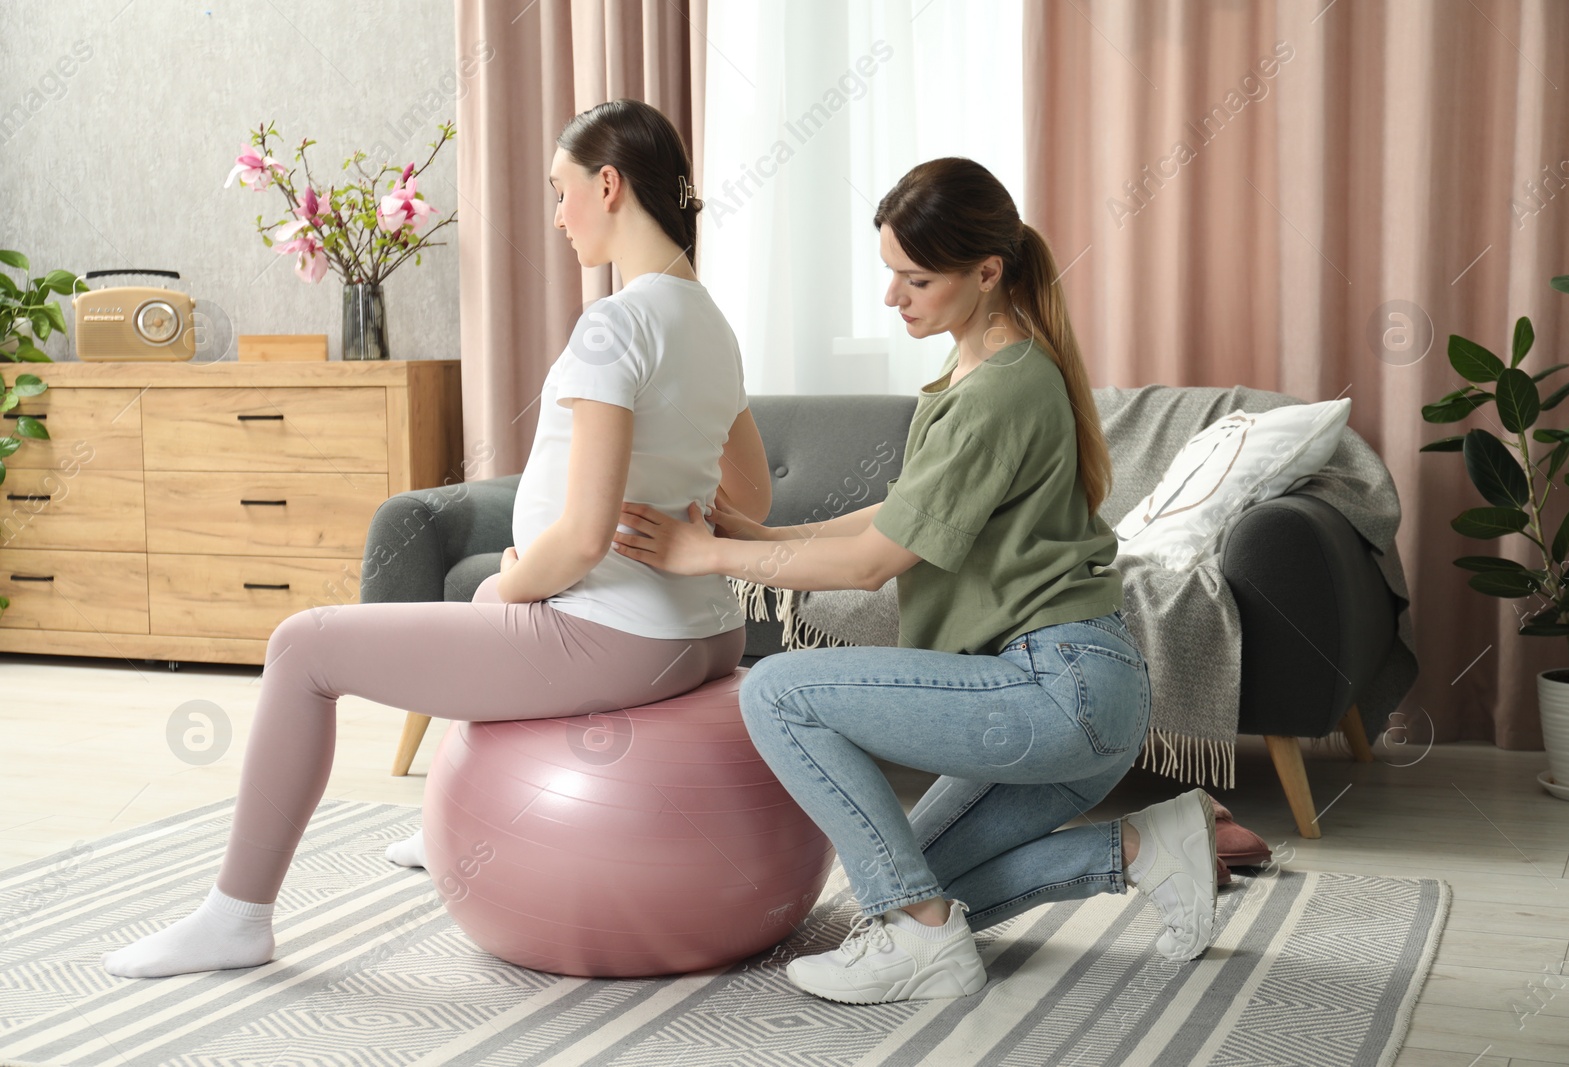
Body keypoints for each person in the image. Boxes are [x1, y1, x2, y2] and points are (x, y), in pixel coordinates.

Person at [101, 98, 763, 978]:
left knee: (302, 648)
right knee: (495, 594)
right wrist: (664, 514)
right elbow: (747, 491)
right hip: (703, 633)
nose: (558, 217)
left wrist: (528, 572)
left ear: (610, 186)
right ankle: (452, 823)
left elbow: (584, 531)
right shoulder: (709, 320)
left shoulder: (618, 322)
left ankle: (236, 916)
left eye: (564, 191)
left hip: (619, 633)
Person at [610, 157, 1220, 1005]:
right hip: (1073, 696)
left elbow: (872, 565)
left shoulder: (1003, 392)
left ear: (987, 272)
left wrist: (705, 555)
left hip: (1058, 692)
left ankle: (925, 947)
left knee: (778, 692)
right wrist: (764, 533)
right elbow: (895, 513)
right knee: (904, 880)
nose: (895, 298)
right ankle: (1142, 848)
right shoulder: (983, 373)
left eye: (916, 279)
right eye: (891, 274)